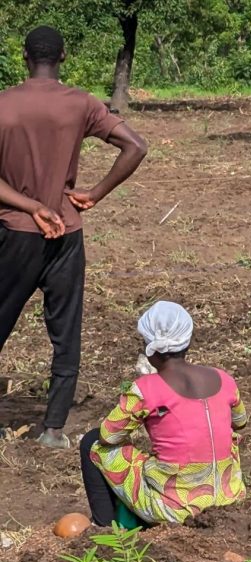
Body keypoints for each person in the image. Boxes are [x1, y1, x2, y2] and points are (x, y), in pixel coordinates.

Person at [0, 26, 148, 448]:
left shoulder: (4, 105)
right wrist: (95, 193)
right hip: (67, 232)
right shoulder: (81, 103)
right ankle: (52, 429)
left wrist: (30, 207)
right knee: (65, 332)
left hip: (15, 234)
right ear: (63, 56)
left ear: (25, 56)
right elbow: (136, 146)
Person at [79, 302, 246, 526]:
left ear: (151, 350)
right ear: (187, 341)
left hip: (174, 510)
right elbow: (240, 423)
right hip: (229, 500)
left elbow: (108, 435)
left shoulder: (146, 389)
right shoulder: (224, 379)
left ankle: (105, 526)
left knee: (91, 441)